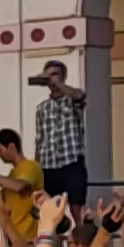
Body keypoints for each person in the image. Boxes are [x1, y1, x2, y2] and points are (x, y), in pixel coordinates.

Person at [31, 59, 89, 203]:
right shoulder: (42, 108)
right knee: (47, 208)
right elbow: (40, 139)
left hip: (71, 161)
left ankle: (79, 226)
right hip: (49, 164)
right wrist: (36, 169)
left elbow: (79, 95)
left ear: (63, 77)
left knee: (77, 205)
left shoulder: (71, 100)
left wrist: (57, 84)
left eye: (55, 74)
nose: (50, 78)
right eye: (48, 75)